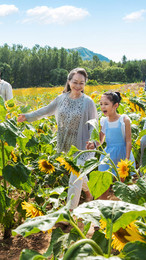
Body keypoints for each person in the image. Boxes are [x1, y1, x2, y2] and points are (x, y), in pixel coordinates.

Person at [18, 68, 98, 209]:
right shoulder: (61, 99)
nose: (78, 86)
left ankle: (69, 212)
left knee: (74, 178)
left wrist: (93, 141)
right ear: (68, 81)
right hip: (66, 143)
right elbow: (45, 110)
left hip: (83, 145)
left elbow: (94, 124)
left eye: (82, 83)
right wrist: (28, 116)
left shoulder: (88, 102)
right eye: (75, 82)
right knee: (78, 173)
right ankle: (89, 194)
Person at [88, 92, 135, 178]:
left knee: (123, 182)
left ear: (115, 105)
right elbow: (100, 140)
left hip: (123, 154)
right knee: (105, 179)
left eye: (106, 104)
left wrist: (127, 159)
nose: (102, 107)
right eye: (101, 104)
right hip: (108, 155)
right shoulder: (104, 121)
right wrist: (93, 144)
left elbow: (128, 141)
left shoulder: (124, 120)